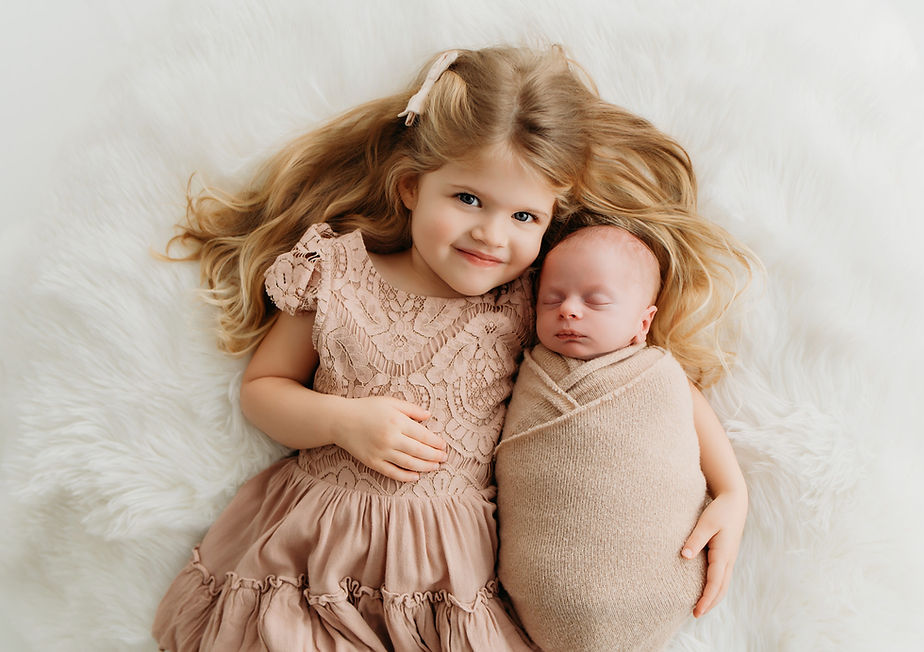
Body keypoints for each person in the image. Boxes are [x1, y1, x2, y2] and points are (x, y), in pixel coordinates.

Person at [151, 43, 751, 651]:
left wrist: (731, 489)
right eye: (468, 199)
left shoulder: (534, 303)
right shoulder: (337, 275)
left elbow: (650, 380)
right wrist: (341, 421)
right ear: (411, 186)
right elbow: (262, 390)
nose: (491, 234)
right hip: (318, 547)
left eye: (524, 217)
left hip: (446, 576)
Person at [496, 221, 753, 651]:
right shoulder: (528, 368)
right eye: (551, 299)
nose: (568, 310)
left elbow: (717, 460)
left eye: (595, 301)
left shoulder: (660, 374)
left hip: (651, 579)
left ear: (643, 322)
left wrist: (733, 494)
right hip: (537, 586)